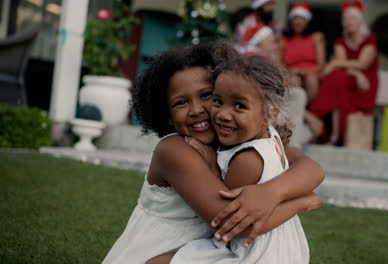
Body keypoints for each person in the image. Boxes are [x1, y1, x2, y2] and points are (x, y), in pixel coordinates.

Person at [102, 42, 324, 264]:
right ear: (167, 114)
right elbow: (228, 222)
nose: (197, 110)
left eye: (208, 96)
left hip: (207, 253)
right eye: (181, 103)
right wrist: (300, 202)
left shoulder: (237, 139)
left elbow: (312, 168)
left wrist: (271, 193)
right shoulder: (174, 149)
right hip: (155, 253)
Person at [170, 53, 309, 263]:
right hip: (283, 248)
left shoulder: (248, 160)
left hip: (251, 252)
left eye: (239, 106)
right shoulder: (270, 136)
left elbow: (226, 217)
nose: (223, 115)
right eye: (218, 101)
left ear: (270, 114)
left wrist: (208, 158)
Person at [306, 0, 379, 145]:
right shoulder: (340, 41)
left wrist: (335, 63)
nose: (349, 22)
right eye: (346, 19)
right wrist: (353, 71)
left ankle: (318, 118)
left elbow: (363, 64)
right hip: (349, 80)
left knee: (336, 78)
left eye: (352, 18)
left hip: (364, 85)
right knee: (337, 78)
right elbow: (344, 66)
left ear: (360, 21)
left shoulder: (370, 40)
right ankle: (334, 133)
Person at [279, 2, 326, 103]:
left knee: (311, 80)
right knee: (294, 81)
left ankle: (305, 111)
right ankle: (296, 110)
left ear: (307, 21)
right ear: (291, 21)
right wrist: (289, 72)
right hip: (290, 73)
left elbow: (321, 64)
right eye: (296, 18)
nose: (298, 22)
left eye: (302, 19)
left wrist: (304, 72)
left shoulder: (316, 37)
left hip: (312, 72)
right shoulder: (283, 40)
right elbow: (278, 63)